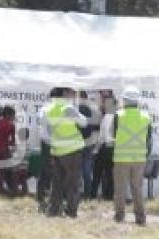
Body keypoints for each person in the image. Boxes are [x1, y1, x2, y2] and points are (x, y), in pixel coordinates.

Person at [110, 86, 152, 225]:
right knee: (137, 189)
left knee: (120, 189)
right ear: (138, 101)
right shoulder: (146, 117)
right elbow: (148, 139)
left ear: (125, 101)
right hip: (139, 159)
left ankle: (119, 217)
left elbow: (113, 135)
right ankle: (140, 218)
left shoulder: (118, 115)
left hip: (121, 158)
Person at [44, 87, 87, 217]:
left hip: (57, 150)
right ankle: (71, 211)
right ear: (64, 94)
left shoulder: (48, 110)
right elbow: (84, 123)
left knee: (57, 183)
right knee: (73, 183)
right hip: (72, 150)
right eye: (70, 92)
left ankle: (54, 210)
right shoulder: (67, 108)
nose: (72, 95)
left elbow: (48, 132)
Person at [90, 91, 117, 200]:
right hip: (114, 148)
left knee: (97, 173)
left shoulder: (107, 117)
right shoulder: (118, 116)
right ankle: (109, 196)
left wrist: (95, 150)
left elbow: (102, 137)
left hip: (105, 148)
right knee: (110, 174)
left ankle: (92, 195)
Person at [78, 91, 100, 196]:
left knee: (76, 170)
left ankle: (77, 193)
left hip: (78, 143)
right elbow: (97, 128)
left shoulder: (75, 109)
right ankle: (88, 194)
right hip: (90, 143)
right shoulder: (94, 109)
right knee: (86, 171)